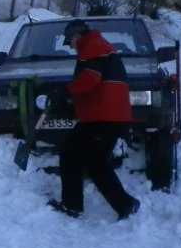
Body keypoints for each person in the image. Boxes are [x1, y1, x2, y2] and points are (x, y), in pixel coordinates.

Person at [50, 19, 140, 221]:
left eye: (69, 41)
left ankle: (127, 205)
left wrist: (65, 92)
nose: (71, 47)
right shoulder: (95, 47)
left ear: (76, 36)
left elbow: (90, 78)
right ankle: (72, 204)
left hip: (106, 117)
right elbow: (95, 84)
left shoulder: (94, 46)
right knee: (70, 154)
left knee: (95, 162)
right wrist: (72, 105)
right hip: (97, 116)